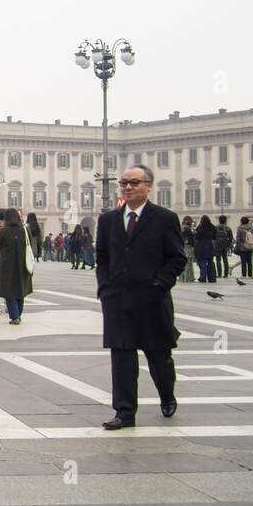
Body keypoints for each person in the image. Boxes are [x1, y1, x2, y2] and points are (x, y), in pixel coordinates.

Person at [96, 166, 185, 430]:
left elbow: (177, 257)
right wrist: (104, 287)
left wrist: (160, 283)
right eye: (124, 183)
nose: (127, 187)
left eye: (134, 183)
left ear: (148, 186)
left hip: (152, 299)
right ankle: (124, 412)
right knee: (121, 357)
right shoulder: (109, 220)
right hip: (118, 299)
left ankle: (167, 395)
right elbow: (102, 257)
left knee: (159, 356)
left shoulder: (164, 218)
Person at [0, 207, 34, 324]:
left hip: (7, 264)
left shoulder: (2, 231)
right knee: (20, 289)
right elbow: (29, 244)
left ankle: (15, 316)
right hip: (23, 264)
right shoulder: (25, 230)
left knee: (9, 290)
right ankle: (18, 314)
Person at [193, 216, 218, 284]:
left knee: (202, 262)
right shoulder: (212, 227)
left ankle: (203, 277)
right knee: (211, 262)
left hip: (201, 246)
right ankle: (212, 278)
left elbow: (196, 236)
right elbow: (215, 237)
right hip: (210, 246)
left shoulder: (200, 227)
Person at [214, 215, 233, 279]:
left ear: (219, 220)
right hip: (225, 246)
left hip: (217, 245)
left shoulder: (215, 228)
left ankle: (219, 274)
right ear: (225, 220)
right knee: (225, 260)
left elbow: (213, 237)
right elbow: (231, 238)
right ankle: (226, 274)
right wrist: (228, 245)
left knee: (218, 260)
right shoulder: (228, 228)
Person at [179, 216, 196, 282]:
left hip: (182, 248)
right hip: (188, 248)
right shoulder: (188, 229)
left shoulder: (180, 229)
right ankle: (189, 277)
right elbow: (191, 240)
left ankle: (182, 278)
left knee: (182, 263)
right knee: (189, 263)